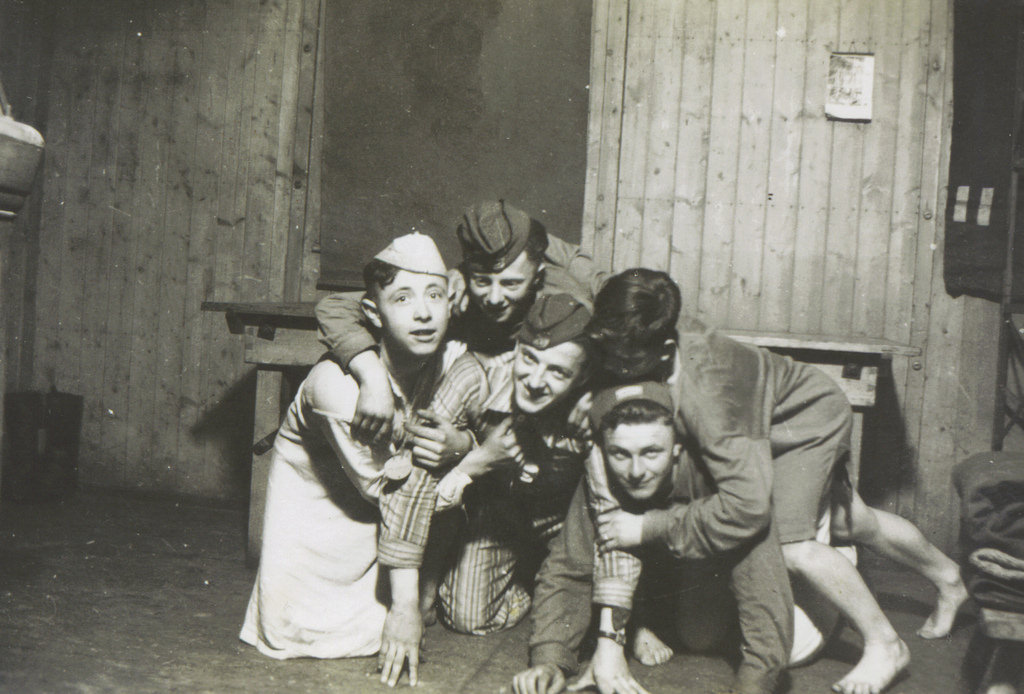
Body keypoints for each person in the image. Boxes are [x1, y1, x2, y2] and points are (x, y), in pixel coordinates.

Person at [582, 268, 967, 694]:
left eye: (624, 362)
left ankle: (886, 644)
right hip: (768, 417)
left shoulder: (710, 402)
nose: (615, 369)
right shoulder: (651, 317)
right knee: (850, 521)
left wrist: (650, 526)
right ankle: (949, 577)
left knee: (791, 543)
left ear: (667, 348)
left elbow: (747, 508)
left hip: (804, 422)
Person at [239, 232, 461, 679]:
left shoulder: (439, 359)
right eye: (403, 298)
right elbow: (391, 495)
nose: (423, 312)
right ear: (373, 314)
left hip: (381, 542)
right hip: (319, 564)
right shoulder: (338, 389)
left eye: (434, 295)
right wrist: (471, 461)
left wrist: (463, 444)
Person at [377, 293, 596, 652]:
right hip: (500, 515)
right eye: (529, 359)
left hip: (567, 522)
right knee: (466, 618)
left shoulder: (594, 403)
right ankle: (528, 580)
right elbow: (410, 477)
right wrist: (405, 605)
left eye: (557, 371)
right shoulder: (476, 373)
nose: (535, 380)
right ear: (517, 347)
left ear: (583, 375)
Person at [314, 199, 605, 443]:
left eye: (511, 284)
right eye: (482, 281)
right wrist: (373, 377)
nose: (494, 298)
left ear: (538, 276)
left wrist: (592, 391)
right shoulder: (455, 294)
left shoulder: (566, 303)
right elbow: (335, 306)